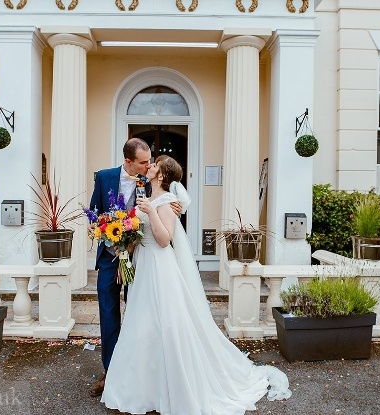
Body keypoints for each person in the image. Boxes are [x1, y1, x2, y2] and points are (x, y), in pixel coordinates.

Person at [101, 155, 291, 414]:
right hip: (143, 266)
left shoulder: (166, 203)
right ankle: (144, 389)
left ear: (162, 175)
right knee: (142, 323)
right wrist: (124, 241)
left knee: (165, 323)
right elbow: (140, 236)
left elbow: (164, 240)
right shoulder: (148, 198)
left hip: (160, 268)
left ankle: (170, 388)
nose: (150, 166)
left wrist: (151, 212)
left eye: (154, 164)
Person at [88, 138, 181, 398]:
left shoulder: (148, 182)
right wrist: (98, 228)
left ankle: (141, 375)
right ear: (128, 161)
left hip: (138, 258)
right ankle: (110, 373)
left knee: (139, 315)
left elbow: (163, 207)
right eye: (143, 161)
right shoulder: (104, 177)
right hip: (109, 258)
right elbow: (95, 210)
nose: (149, 164)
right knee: (108, 314)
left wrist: (175, 208)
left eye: (150, 160)